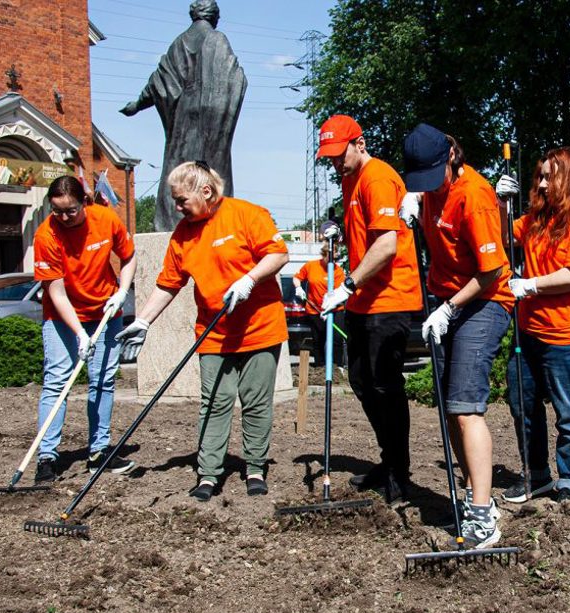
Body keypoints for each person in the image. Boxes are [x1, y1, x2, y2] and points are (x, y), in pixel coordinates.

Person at [116, 161, 288, 500]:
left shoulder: (247, 215)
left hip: (260, 328)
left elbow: (278, 255)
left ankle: (255, 467)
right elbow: (168, 284)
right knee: (214, 402)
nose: (177, 207)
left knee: (255, 401)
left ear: (206, 192)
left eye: (181, 200)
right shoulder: (183, 233)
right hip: (214, 332)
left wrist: (249, 279)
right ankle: (209, 473)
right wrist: (143, 320)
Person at [400, 124, 512, 548]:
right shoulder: (429, 189)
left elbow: (492, 271)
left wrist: (449, 309)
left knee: (466, 408)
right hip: (448, 298)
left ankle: (483, 518)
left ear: (450, 155)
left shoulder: (475, 197)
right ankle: (472, 493)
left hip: (484, 301)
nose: (428, 187)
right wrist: (409, 204)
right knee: (449, 409)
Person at [316, 114, 422, 503]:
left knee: (385, 385)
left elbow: (386, 246)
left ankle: (399, 469)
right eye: (327, 156)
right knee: (362, 381)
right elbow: (363, 233)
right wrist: (337, 229)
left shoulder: (376, 176)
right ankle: (389, 458)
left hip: (389, 298)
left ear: (359, 143)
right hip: (364, 299)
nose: (333, 162)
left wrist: (347, 284)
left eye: (337, 153)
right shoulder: (350, 179)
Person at [495, 147, 570, 504]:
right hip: (528, 332)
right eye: (539, 176)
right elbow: (502, 238)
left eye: (550, 176)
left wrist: (529, 284)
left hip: (568, 336)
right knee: (522, 405)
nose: (542, 184)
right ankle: (538, 475)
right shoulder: (536, 220)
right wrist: (502, 204)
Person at [32, 176, 137, 484]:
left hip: (106, 311)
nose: (64, 218)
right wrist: (79, 333)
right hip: (64, 316)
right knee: (56, 382)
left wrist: (123, 290)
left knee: (103, 380)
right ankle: (47, 457)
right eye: (57, 211)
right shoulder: (46, 235)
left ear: (84, 203)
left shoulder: (105, 219)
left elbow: (128, 256)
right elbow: (56, 291)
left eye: (71, 210)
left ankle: (98, 452)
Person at [120, 0, 246, 232]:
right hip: (211, 123)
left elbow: (160, 82)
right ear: (214, 16)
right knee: (212, 171)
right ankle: (214, 220)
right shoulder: (217, 39)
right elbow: (234, 78)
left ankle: (172, 220)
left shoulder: (179, 43)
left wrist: (138, 103)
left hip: (182, 119)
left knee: (178, 169)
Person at [293, 243, 346, 367]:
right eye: (330, 257)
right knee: (318, 340)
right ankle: (320, 367)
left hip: (334, 310)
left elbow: (339, 293)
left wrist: (329, 309)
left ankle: (337, 367)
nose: (332, 261)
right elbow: (297, 278)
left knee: (337, 339)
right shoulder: (311, 266)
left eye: (335, 258)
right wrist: (298, 288)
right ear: (324, 254)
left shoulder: (338, 272)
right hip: (314, 310)